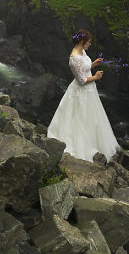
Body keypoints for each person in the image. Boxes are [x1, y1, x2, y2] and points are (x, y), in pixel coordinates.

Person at [46, 29, 119, 162]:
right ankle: (83, 146)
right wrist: (96, 77)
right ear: (82, 41)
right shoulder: (74, 58)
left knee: (92, 118)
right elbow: (82, 80)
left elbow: (83, 70)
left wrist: (93, 64)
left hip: (90, 92)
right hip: (81, 92)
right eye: (89, 42)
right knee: (81, 118)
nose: (90, 44)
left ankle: (94, 143)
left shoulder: (82, 52)